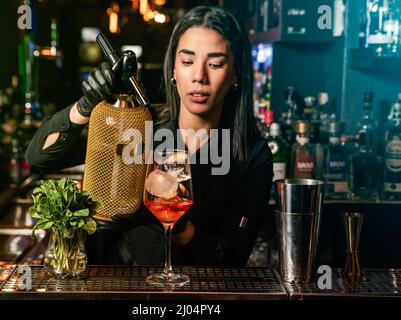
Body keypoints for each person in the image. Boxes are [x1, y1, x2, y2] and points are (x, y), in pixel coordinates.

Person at [26, 5, 273, 267]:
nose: (199, 76)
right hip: (122, 284)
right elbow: (39, 156)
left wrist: (174, 222)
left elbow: (233, 261)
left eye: (215, 64)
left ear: (235, 73)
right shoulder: (138, 123)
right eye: (187, 62)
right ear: (173, 70)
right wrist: (85, 106)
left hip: (198, 295)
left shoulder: (252, 155)